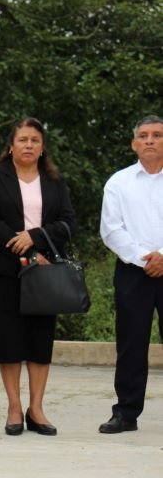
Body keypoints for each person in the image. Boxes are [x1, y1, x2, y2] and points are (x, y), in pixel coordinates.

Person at [0, 117, 75, 437]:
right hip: (5, 267)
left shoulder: (54, 180)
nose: (29, 145)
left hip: (44, 269)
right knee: (9, 338)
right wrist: (23, 250)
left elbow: (67, 223)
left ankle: (37, 408)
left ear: (42, 147)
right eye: (23, 140)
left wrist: (36, 241)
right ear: (11, 145)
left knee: (39, 339)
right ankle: (14, 407)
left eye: (35, 140)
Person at [98, 115, 163, 434]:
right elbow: (111, 229)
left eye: (157, 135)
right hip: (132, 272)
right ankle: (126, 412)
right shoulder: (118, 182)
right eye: (144, 135)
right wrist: (145, 259)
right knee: (131, 344)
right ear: (134, 143)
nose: (150, 140)